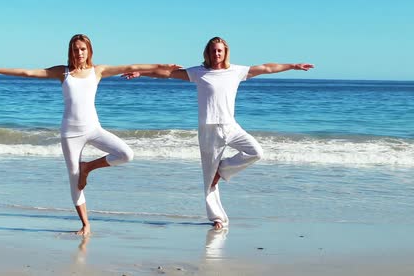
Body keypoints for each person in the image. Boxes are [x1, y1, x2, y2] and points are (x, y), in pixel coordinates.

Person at [0, 34, 179, 236]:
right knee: (74, 181)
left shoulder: (98, 71)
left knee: (126, 154)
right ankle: (86, 225)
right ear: (70, 51)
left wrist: (162, 65)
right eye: (75, 49)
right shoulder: (63, 72)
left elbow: (131, 66)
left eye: (83, 49)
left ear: (89, 51)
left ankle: (88, 167)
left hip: (93, 129)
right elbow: (29, 72)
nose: (79, 53)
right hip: (70, 133)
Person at [124, 36, 314, 229]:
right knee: (209, 180)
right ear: (208, 52)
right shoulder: (198, 72)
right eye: (213, 50)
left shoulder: (236, 71)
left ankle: (221, 170)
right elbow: (166, 73)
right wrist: (141, 72)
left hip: (230, 126)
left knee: (256, 152)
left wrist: (293, 65)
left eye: (220, 51)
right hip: (209, 130)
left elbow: (266, 68)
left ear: (225, 52)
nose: (216, 54)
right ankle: (218, 219)